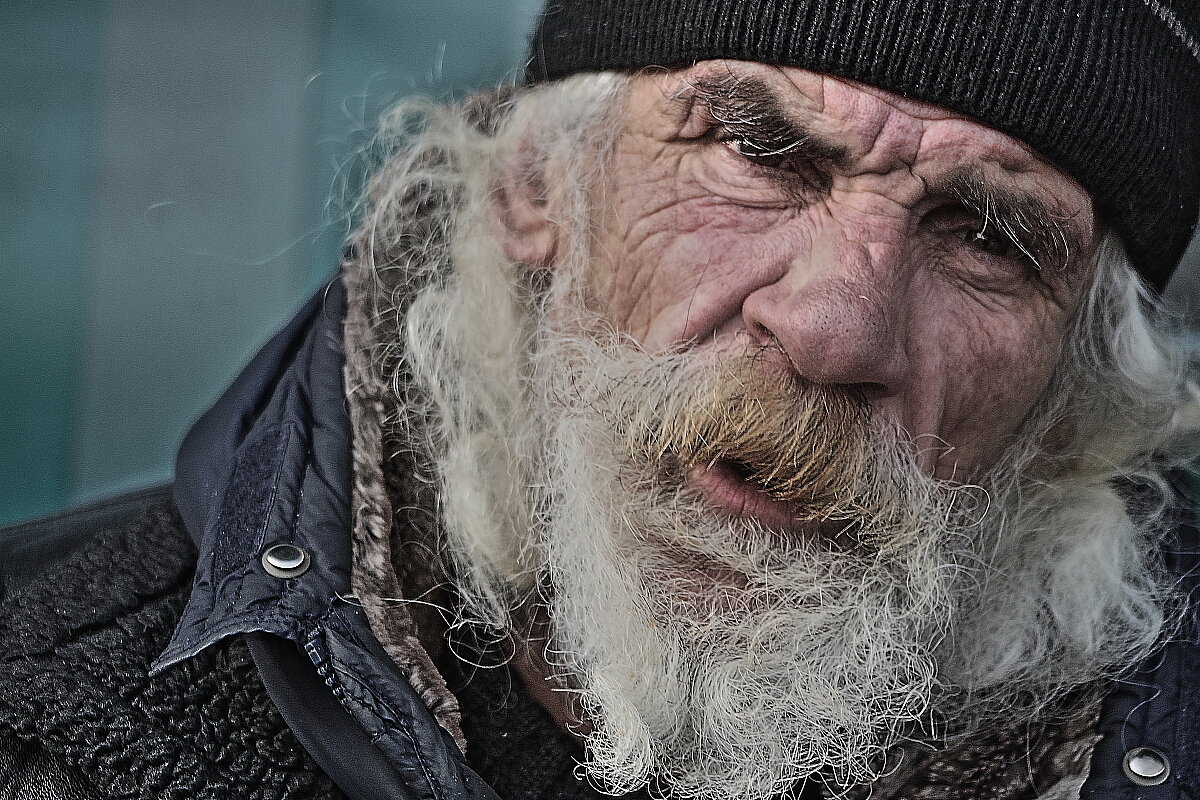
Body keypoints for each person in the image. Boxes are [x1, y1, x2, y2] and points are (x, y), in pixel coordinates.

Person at [3, 2, 1200, 798]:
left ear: (1079, 396)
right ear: (536, 188)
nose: (836, 329)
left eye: (988, 233)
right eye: (759, 150)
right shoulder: (41, 700)